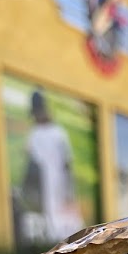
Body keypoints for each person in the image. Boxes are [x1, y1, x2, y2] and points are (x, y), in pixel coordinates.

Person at [24, 91, 83, 241]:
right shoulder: (35, 134)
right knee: (51, 217)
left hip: (60, 180)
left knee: (68, 216)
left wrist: (69, 186)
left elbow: (67, 162)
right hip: (44, 182)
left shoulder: (58, 133)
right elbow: (31, 160)